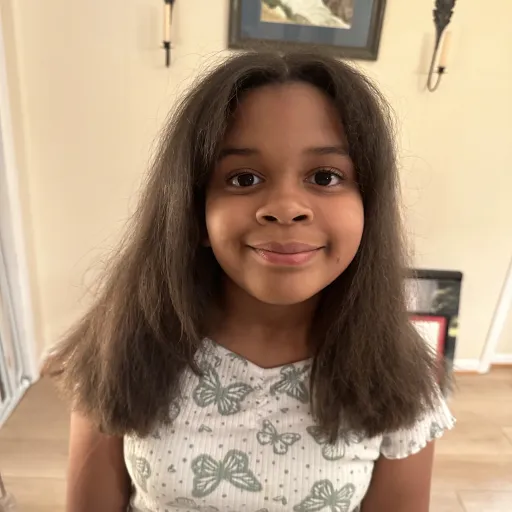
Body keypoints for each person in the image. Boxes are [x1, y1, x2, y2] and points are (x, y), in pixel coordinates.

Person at [44, 51, 454, 512]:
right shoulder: (121, 343)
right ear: (194, 210)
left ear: (369, 207)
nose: (285, 207)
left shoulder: (401, 377)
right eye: (243, 178)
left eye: (325, 176)